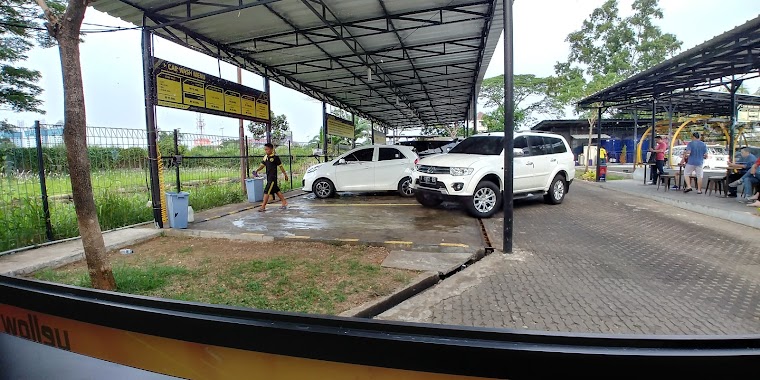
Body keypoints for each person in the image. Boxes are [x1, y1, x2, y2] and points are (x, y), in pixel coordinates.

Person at [254, 143, 289, 212]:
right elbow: (262, 165)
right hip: (269, 177)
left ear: (271, 149)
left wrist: (285, 174)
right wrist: (257, 170)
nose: (266, 151)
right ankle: (284, 202)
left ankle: (263, 206)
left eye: (267, 149)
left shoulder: (275, 158)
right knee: (276, 190)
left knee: (266, 191)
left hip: (272, 178)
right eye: (265, 149)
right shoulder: (266, 157)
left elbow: (281, 167)